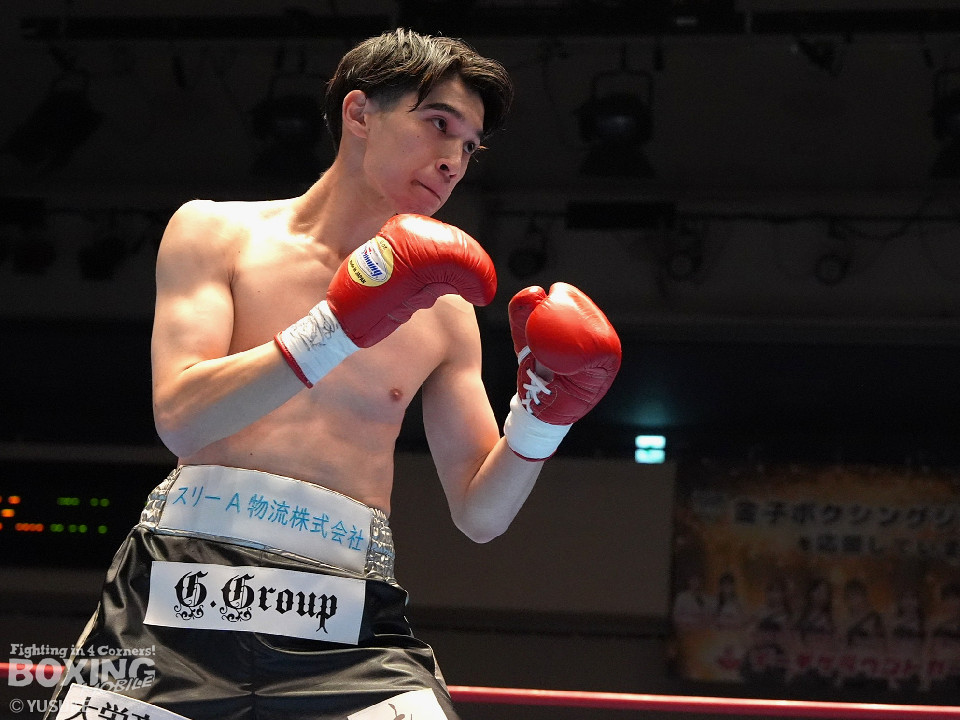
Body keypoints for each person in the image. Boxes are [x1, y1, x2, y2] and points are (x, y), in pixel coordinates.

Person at [45, 28, 621, 720]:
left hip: (345, 615)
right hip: (177, 590)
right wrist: (339, 326)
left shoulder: (446, 313)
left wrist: (542, 421)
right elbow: (181, 418)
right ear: (359, 114)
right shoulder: (216, 234)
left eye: (469, 147)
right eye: (439, 124)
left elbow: (480, 514)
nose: (453, 161)